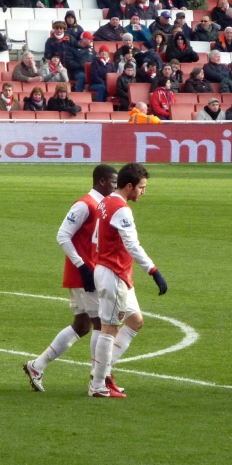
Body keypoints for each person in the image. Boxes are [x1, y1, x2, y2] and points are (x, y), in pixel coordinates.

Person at [23, 165, 119, 393]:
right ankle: (100, 380)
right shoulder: (85, 204)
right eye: (114, 182)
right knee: (100, 324)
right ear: (103, 181)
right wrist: (83, 267)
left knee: (83, 325)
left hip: (90, 272)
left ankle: (37, 366)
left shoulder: (102, 206)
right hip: (85, 274)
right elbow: (62, 235)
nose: (115, 187)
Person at [89, 162, 167, 398]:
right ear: (130, 186)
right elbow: (132, 244)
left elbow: (97, 237)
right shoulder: (121, 209)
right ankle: (98, 384)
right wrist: (154, 271)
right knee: (109, 329)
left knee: (135, 321)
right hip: (113, 273)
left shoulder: (106, 201)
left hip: (116, 272)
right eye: (142, 187)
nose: (144, 192)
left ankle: (104, 374)